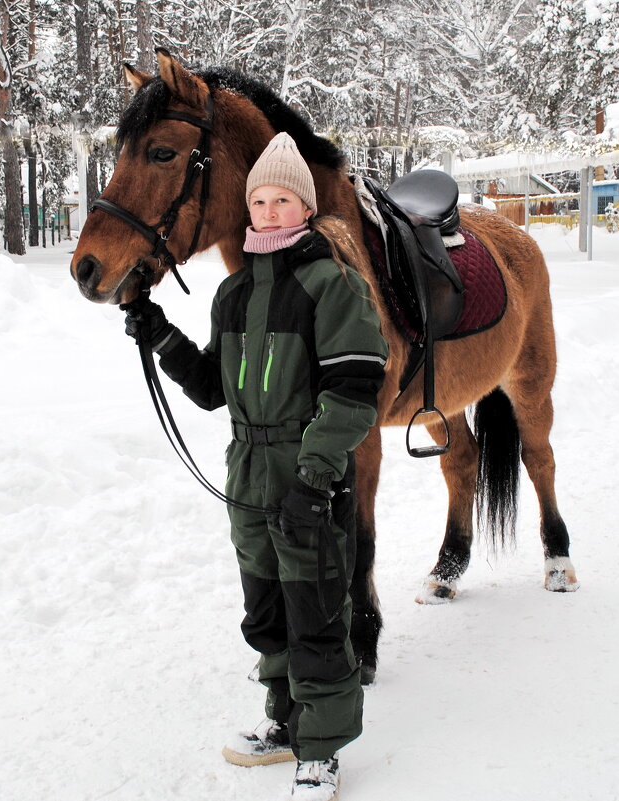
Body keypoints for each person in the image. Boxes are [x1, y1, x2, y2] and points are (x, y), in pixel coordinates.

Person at [123, 132, 387, 801]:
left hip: (307, 473)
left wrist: (317, 473)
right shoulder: (234, 294)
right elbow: (215, 386)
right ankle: (282, 721)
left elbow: (353, 392)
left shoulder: (333, 284)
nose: (268, 212)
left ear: (304, 207)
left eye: (282, 201)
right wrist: (158, 332)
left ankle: (320, 750)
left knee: (317, 610)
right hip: (246, 471)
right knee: (265, 606)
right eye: (259, 201)